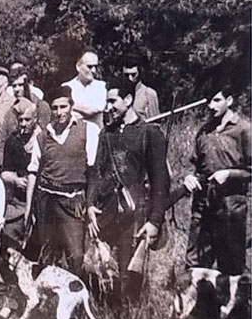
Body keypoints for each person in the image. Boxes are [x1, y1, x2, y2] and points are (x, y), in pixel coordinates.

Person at [87, 79, 169, 299]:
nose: (108, 108)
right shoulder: (106, 134)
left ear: (129, 100)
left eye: (113, 101)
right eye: (106, 102)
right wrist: (90, 206)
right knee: (102, 272)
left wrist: (154, 222)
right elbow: (96, 172)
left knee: (129, 277)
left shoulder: (149, 133)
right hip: (107, 214)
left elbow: (161, 182)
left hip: (135, 216)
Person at [25, 85, 100, 272]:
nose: (59, 113)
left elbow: (93, 171)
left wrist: (90, 204)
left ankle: (79, 296)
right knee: (48, 254)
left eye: (63, 107)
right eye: (55, 108)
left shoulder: (87, 130)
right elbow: (33, 172)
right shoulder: (43, 136)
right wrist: (29, 209)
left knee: (76, 256)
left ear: (71, 106)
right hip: (46, 201)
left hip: (72, 201)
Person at [182, 83, 251, 275]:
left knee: (232, 270)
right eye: (208, 101)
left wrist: (229, 174)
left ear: (229, 101)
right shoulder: (204, 131)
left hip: (230, 208)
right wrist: (189, 177)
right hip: (203, 207)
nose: (211, 106)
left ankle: (233, 305)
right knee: (195, 267)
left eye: (216, 100)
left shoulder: (243, 130)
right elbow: (194, 164)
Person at [1, 98, 43, 247]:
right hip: (19, 201)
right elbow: (5, 172)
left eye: (27, 119)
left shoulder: (44, 139)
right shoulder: (13, 141)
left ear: (36, 119)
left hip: (41, 200)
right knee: (10, 238)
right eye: (20, 120)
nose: (23, 124)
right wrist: (16, 180)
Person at [63, 51, 107, 127]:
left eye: (95, 66)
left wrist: (72, 105)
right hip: (73, 134)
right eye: (89, 66)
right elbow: (64, 113)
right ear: (78, 66)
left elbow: (93, 110)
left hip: (95, 134)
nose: (94, 71)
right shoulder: (66, 87)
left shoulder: (102, 87)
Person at [122, 55, 160, 121]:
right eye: (126, 75)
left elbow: (155, 123)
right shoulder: (119, 93)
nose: (130, 78)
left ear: (140, 73)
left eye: (133, 74)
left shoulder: (148, 93)